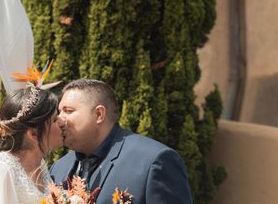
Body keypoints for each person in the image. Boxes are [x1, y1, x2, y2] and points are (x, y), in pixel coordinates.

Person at [50, 79, 193, 204]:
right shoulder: (58, 169)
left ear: (99, 114)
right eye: (59, 112)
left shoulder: (153, 162)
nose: (59, 120)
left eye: (68, 111)